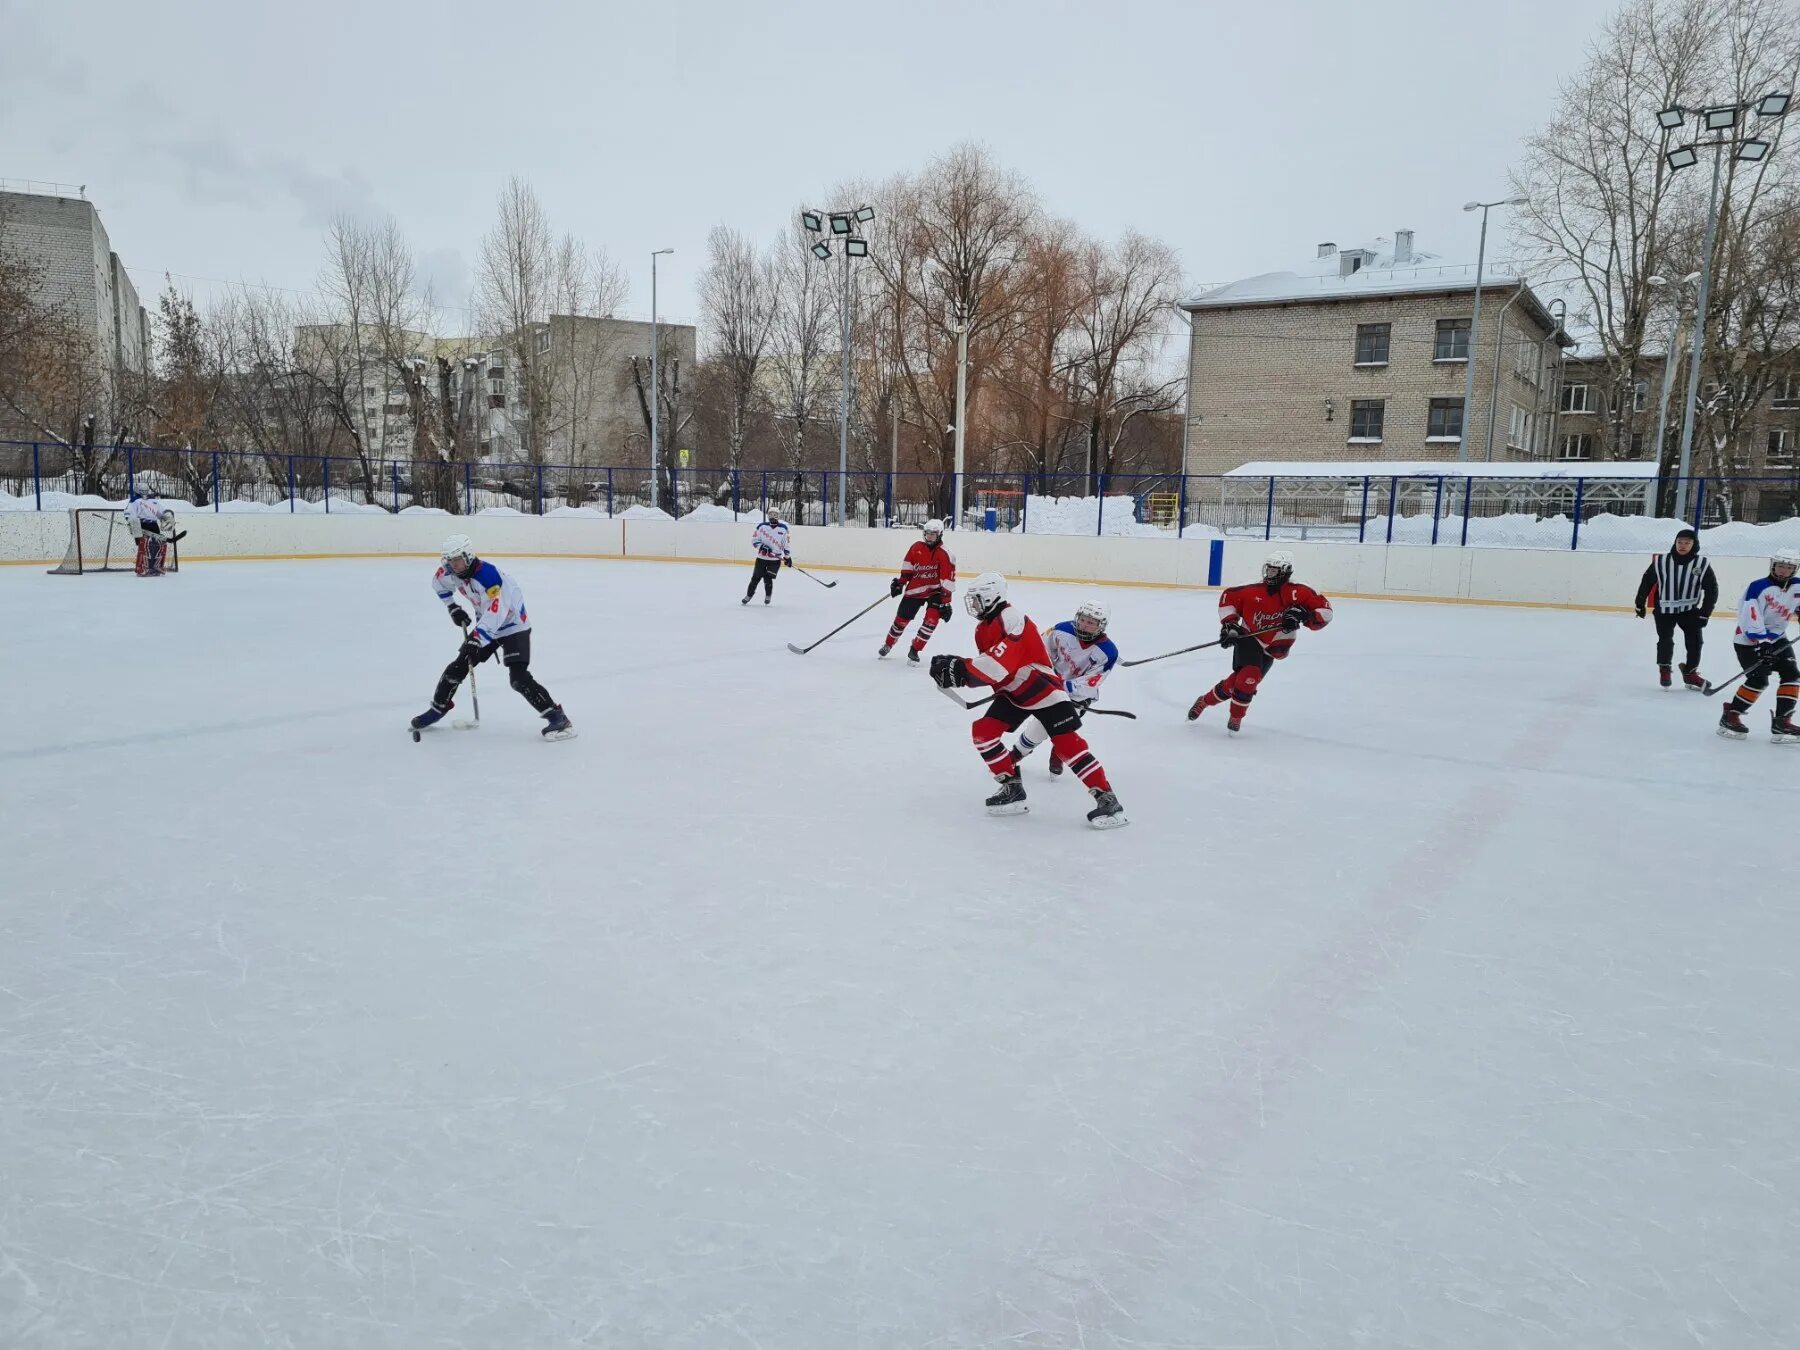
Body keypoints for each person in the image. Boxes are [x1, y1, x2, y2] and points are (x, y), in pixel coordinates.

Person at [930, 572, 1126, 828]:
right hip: (1015, 691)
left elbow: (998, 663)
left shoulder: (1013, 620)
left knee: (1068, 745)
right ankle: (1012, 789)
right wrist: (958, 668)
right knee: (983, 732)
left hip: (1042, 690)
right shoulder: (985, 627)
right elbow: (993, 665)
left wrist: (961, 671)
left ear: (991, 597)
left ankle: (1108, 801)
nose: (974, 605)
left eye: (977, 600)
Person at [411, 535, 575, 740]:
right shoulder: (450, 572)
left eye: (457, 560)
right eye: (450, 561)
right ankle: (438, 708)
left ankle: (558, 717)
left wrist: (476, 639)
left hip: (514, 626)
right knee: (458, 665)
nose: (453, 565)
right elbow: (438, 584)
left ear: (469, 556)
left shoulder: (489, 577)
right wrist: (453, 608)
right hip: (487, 626)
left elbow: (497, 613)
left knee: (518, 679)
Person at [1187, 549, 1332, 733]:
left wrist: (1305, 615)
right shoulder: (1251, 590)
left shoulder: (1300, 592)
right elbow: (1228, 598)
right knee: (1249, 677)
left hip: (1275, 646)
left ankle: (1204, 701)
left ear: (1285, 571)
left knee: (1238, 683)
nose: (1269, 574)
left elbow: (1325, 613)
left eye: (1274, 571)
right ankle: (1236, 718)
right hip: (1250, 638)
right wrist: (1230, 625)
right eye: (1268, 570)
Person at [1012, 600, 1119, 776]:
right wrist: (1042, 672)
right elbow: (1039, 649)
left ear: (1101, 626)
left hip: (1077, 696)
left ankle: (1031, 754)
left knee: (1048, 727)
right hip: (1050, 682)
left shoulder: (1107, 652)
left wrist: (1060, 685)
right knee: (1045, 725)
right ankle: (1020, 753)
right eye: (1083, 619)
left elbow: (1089, 684)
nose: (1084, 625)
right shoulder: (1061, 630)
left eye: (1091, 623)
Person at [1717, 548, 1800, 742]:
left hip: (1777, 637)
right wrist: (1762, 643)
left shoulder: (1797, 586)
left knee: (1792, 674)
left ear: (1794, 569)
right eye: (1780, 566)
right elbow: (1750, 616)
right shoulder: (1758, 587)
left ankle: (1782, 722)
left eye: (1788, 568)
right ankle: (1730, 715)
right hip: (1749, 640)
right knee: (1759, 680)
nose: (1783, 571)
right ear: (1773, 565)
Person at [1634, 527, 1717, 689]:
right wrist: (1639, 603)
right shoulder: (1662, 561)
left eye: (1687, 542)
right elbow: (1647, 581)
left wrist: (1705, 613)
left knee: (1695, 642)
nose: (1683, 545)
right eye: (1680, 542)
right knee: (1665, 640)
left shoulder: (1702, 564)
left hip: (1689, 610)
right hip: (1664, 609)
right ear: (1675, 543)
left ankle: (1690, 673)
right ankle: (1664, 668)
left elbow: (1712, 589)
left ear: (1694, 544)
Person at [879, 518, 956, 662]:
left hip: (935, 592)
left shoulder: (946, 554)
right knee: (901, 620)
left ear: (940, 534)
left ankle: (915, 649)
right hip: (915, 589)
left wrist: (946, 602)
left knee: (931, 621)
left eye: (933, 534)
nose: (930, 536)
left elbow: (947, 580)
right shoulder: (916, 548)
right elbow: (908, 567)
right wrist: (900, 583)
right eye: (927, 533)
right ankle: (888, 644)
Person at [743, 507, 792, 605]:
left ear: (778, 516)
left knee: (768, 578)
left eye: (775, 515)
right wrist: (762, 547)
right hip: (761, 558)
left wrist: (787, 557)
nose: (773, 517)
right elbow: (754, 540)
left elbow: (786, 544)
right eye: (770, 514)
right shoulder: (761, 526)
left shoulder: (783, 528)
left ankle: (768, 595)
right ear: (768, 515)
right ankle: (749, 595)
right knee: (755, 578)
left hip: (774, 560)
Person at [126, 493, 174, 577]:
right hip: (142, 523)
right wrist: (132, 523)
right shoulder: (135, 500)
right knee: (144, 545)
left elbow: (161, 512)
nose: (144, 492)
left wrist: (166, 518)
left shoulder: (153, 501)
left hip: (154, 525)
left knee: (160, 544)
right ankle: (140, 568)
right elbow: (129, 513)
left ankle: (157, 566)